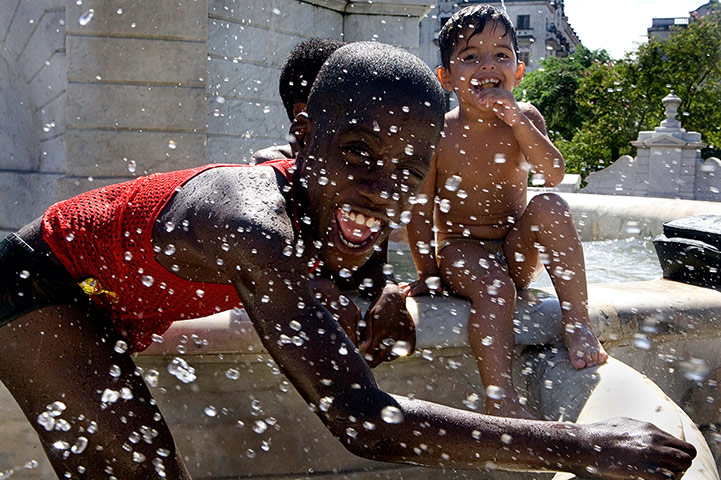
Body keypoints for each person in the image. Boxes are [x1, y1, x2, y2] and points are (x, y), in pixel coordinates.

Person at [0, 42, 694, 480]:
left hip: (116, 298)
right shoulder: (254, 225)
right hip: (42, 288)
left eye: (409, 168)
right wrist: (580, 445)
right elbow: (362, 424)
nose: (379, 186)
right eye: (358, 153)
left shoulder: (325, 208)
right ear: (305, 135)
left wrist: (389, 290)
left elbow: (336, 278)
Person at [403, 4, 608, 419]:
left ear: (520, 70)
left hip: (516, 248)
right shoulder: (440, 132)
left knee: (551, 205)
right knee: (495, 292)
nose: (488, 65)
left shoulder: (526, 117)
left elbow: (552, 174)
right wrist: (427, 273)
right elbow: (421, 211)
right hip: (463, 251)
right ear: (445, 77)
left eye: (501, 54)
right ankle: (500, 394)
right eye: (471, 56)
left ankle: (577, 322)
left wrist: (517, 121)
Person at [252, 37, 408, 367]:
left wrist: (390, 291)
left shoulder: (363, 183)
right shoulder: (268, 176)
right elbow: (258, 274)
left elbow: (374, 262)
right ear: (301, 129)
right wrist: (318, 289)